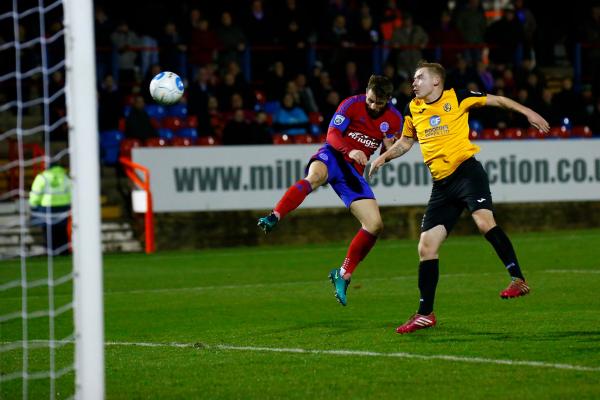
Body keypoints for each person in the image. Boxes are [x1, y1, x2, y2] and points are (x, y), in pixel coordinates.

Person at [369, 61, 550, 334]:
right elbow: (407, 141)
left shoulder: (458, 97)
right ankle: (425, 313)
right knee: (426, 247)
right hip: (441, 186)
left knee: (483, 222)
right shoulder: (412, 109)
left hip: (466, 173)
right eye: (414, 78)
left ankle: (517, 279)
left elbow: (498, 100)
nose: (414, 82)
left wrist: (528, 112)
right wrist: (385, 156)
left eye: (419, 78)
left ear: (436, 82)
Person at [257, 75, 403, 306]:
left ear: (388, 100)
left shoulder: (394, 118)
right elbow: (332, 135)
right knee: (314, 177)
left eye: (380, 103)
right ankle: (274, 216)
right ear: (367, 91)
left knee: (375, 225)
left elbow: (391, 145)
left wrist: (387, 150)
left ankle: (343, 274)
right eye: (372, 100)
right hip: (334, 156)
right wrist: (350, 150)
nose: (374, 106)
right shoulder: (351, 104)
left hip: (353, 173)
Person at [29, 159, 72, 256]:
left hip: (47, 207)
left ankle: (51, 251)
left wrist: (33, 204)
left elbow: (36, 193)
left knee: (48, 229)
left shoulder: (43, 177)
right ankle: (63, 251)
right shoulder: (64, 176)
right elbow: (71, 192)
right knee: (61, 229)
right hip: (63, 207)